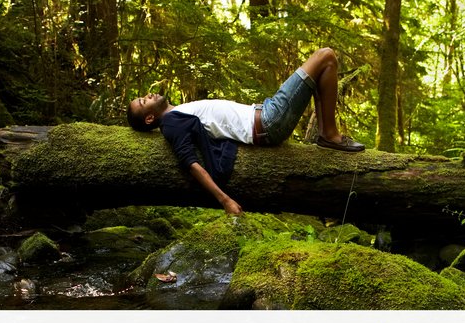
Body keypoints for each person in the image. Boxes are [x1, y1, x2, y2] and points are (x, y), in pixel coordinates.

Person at [128, 48, 364, 215]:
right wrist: (225, 200)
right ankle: (330, 136)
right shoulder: (171, 124)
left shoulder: (177, 112)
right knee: (326, 56)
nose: (148, 95)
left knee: (323, 66)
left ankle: (327, 134)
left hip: (266, 113)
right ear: (150, 117)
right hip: (269, 122)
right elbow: (191, 165)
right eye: (142, 101)